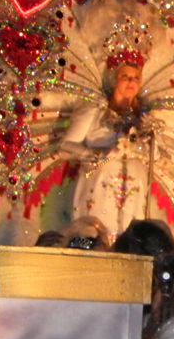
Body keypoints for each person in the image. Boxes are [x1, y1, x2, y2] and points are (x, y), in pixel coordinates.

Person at [61, 59, 154, 239]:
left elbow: (154, 155)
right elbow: (66, 146)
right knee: (96, 235)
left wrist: (141, 144)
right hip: (99, 183)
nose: (131, 82)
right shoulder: (94, 110)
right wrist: (99, 154)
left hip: (135, 186)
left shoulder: (144, 117)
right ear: (114, 80)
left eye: (136, 78)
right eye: (125, 77)